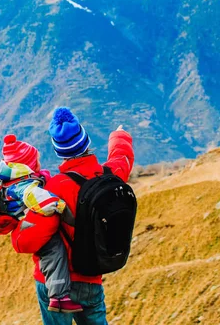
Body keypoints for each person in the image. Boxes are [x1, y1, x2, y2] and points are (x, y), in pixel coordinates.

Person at [10, 107, 134, 325]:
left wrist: (15, 229)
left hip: (55, 286)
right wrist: (119, 136)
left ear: (59, 151)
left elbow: (27, 240)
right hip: (91, 278)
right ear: (86, 142)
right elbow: (122, 158)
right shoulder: (108, 177)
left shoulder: (54, 188)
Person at [0, 134, 82, 313]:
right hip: (27, 224)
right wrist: (61, 206)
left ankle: (57, 294)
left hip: (24, 223)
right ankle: (59, 297)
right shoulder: (24, 187)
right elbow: (43, 201)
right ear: (26, 165)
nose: (39, 162)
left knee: (50, 250)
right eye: (36, 160)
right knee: (54, 249)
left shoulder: (14, 179)